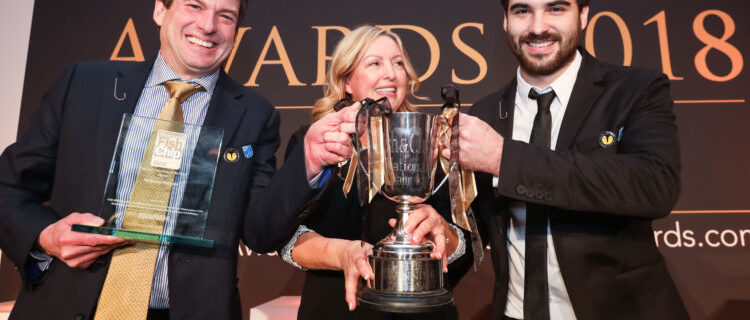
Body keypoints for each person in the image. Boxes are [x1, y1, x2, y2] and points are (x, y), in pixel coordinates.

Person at [0, 0, 357, 319]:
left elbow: (260, 233)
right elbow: (9, 187)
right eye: (194, 6)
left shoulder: (253, 116)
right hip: (67, 306)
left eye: (225, 15)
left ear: (236, 30)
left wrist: (308, 161)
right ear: (160, 10)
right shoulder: (84, 85)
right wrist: (45, 235)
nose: (207, 25)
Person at [447, 0, 690, 319]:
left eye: (555, 9)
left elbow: (654, 185)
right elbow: (470, 227)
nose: (537, 27)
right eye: (522, 11)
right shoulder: (484, 115)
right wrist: (440, 233)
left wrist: (504, 158)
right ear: (505, 20)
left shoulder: (635, 90)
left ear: (584, 15)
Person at [278, 26, 473, 320]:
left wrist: (444, 232)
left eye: (398, 64)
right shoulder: (317, 142)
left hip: (422, 311)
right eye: (374, 63)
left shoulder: (435, 140)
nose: (391, 74)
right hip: (336, 309)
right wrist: (342, 254)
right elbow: (286, 238)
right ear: (346, 81)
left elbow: (465, 248)